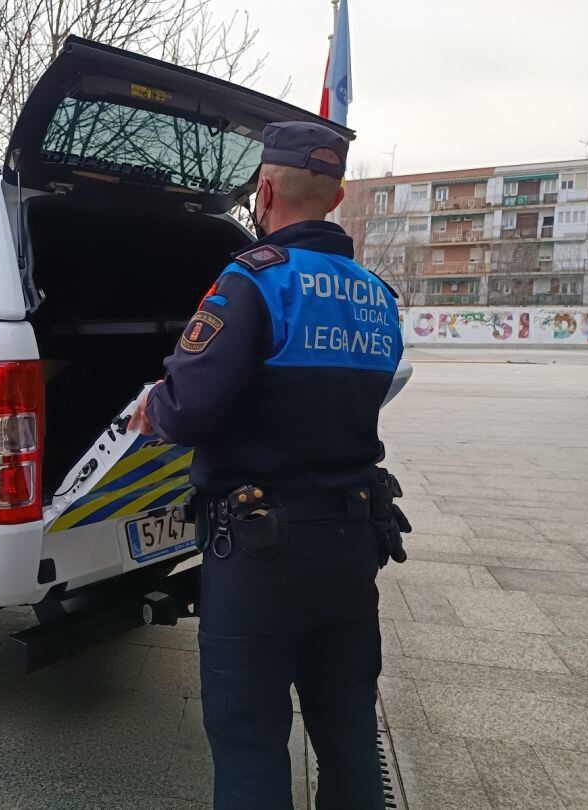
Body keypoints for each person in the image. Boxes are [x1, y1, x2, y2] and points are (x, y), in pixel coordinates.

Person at [130, 120, 408, 809]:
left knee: (252, 740)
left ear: (264, 189)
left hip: (261, 555)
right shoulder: (376, 295)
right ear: (338, 194)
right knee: (346, 731)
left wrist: (152, 411)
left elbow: (190, 406)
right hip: (353, 545)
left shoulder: (251, 282)